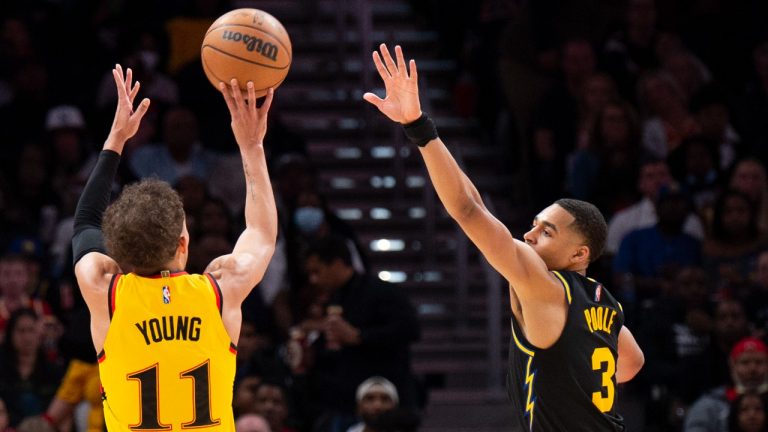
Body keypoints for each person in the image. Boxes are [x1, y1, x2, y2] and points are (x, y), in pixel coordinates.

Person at [363, 44, 644, 431]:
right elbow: (631, 364)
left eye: (547, 231)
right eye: (534, 223)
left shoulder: (541, 281)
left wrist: (418, 128)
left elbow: (466, 211)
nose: (529, 235)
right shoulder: (603, 303)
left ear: (580, 252)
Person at [71, 65, 278, 430]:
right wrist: (251, 145)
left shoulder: (106, 291)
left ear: (118, 251)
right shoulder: (219, 290)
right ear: (183, 243)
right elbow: (261, 232)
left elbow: (86, 222)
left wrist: (116, 140)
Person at [683, 337, 768, 432]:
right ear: (732, 366)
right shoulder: (710, 405)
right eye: (745, 363)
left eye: (759, 362)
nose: (752, 369)